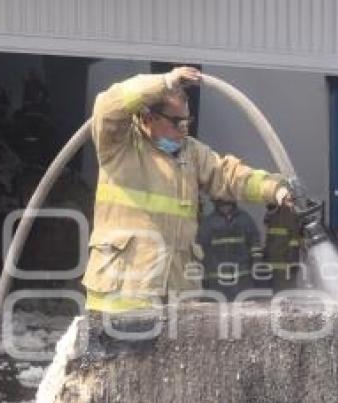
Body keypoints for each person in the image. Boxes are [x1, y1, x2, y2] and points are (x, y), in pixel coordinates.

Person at [82, 66, 292, 313]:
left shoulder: (191, 153)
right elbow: (108, 105)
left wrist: (276, 189)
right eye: (177, 123)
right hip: (120, 298)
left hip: (175, 298)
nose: (184, 131)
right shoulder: (119, 146)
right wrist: (164, 82)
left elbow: (229, 175)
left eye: (187, 123)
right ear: (149, 117)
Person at [197, 199, 261, 301]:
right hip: (217, 283)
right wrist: (203, 275)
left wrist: (256, 264)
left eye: (227, 201)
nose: (225, 207)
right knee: (218, 314)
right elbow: (200, 250)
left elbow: (255, 243)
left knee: (245, 313)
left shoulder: (245, 219)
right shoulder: (209, 222)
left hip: (242, 282)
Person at [262, 203, 301, 292]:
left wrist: (293, 259)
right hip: (274, 264)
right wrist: (265, 253)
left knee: (287, 291)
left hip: (286, 262)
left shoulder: (287, 215)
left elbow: (294, 240)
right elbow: (269, 239)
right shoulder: (270, 216)